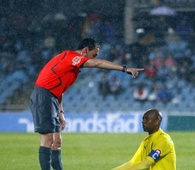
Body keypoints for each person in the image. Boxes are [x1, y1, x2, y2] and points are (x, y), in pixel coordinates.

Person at [29, 37, 144, 170]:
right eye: (93, 54)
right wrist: (125, 69)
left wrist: (61, 113)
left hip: (52, 98)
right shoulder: (72, 57)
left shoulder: (70, 66)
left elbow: (59, 91)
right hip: (43, 97)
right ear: (85, 50)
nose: (94, 58)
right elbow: (98, 63)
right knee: (47, 140)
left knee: (57, 142)